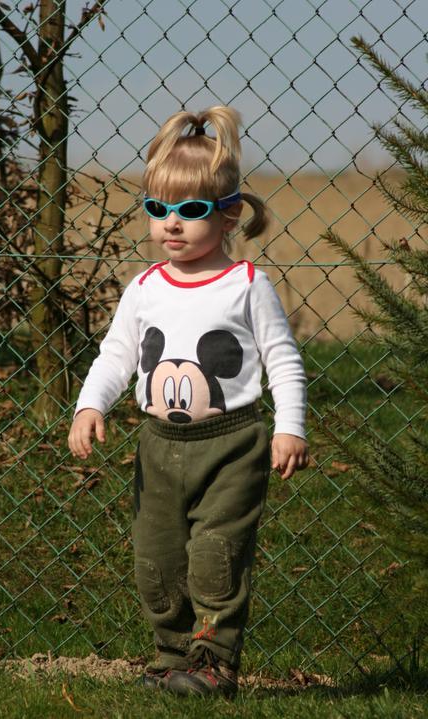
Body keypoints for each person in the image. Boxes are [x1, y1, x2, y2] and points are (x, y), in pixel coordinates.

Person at [68, 106, 309, 698]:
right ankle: (172, 656)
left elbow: (283, 360)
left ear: (229, 215)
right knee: (156, 560)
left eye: (191, 210)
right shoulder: (145, 288)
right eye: (158, 208)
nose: (171, 224)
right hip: (158, 447)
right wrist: (90, 405)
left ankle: (213, 662)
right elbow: (116, 355)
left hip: (231, 446)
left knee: (216, 556)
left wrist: (290, 426)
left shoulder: (246, 285)